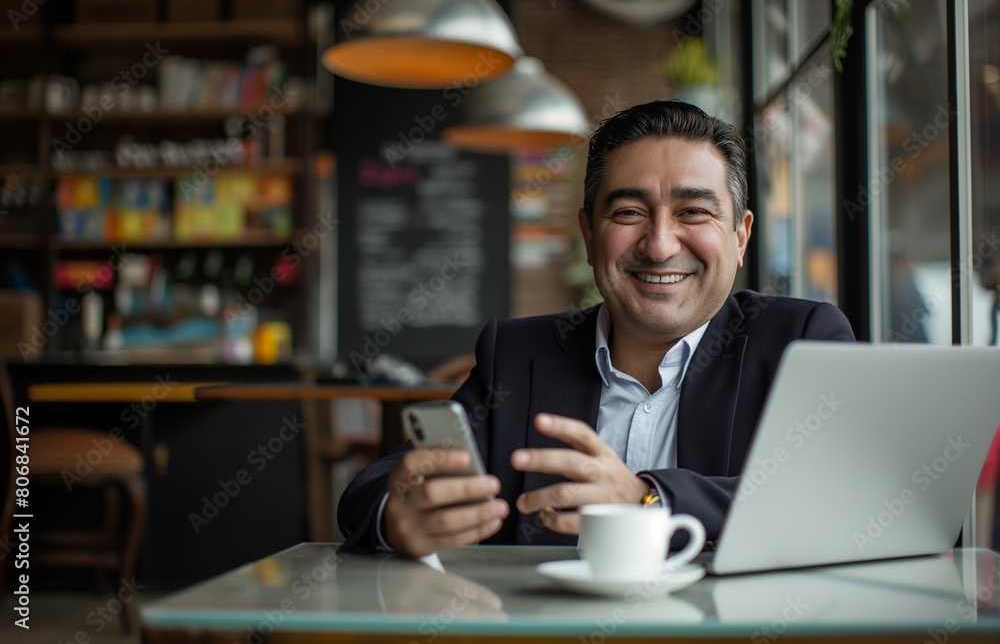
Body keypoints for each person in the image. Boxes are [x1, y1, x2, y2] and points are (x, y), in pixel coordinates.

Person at [338, 99, 855, 557]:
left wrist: (650, 498)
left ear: (740, 237)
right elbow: (373, 490)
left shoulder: (798, 342)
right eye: (629, 212)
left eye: (693, 211)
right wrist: (398, 514)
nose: (659, 245)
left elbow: (846, 496)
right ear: (589, 235)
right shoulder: (518, 353)